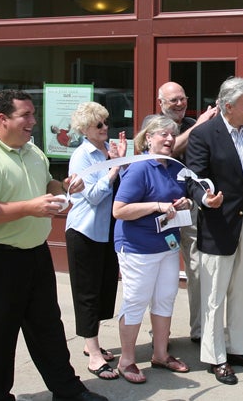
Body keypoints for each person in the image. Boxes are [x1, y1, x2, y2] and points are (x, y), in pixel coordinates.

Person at [0, 89, 106, 401]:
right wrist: (29, 207)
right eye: (26, 115)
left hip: (35, 254)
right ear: (3, 119)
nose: (33, 122)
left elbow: (46, 184)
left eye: (33, 115)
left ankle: (67, 390)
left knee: (47, 326)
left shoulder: (32, 151)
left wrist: (64, 185)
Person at [186, 77, 243, 385]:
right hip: (218, 225)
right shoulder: (203, 134)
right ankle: (216, 358)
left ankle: (241, 349)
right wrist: (204, 198)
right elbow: (191, 178)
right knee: (214, 295)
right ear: (228, 106)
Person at [111, 115, 193, 385]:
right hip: (137, 248)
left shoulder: (172, 166)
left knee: (165, 299)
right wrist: (157, 206)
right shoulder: (139, 168)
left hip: (166, 245)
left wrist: (184, 204)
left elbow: (180, 197)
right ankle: (126, 359)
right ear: (148, 138)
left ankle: (160, 354)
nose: (169, 139)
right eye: (163, 135)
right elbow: (119, 210)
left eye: (173, 134)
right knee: (135, 302)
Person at [66, 102, 127, 381]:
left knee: (104, 290)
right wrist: (113, 170)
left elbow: (120, 189)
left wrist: (120, 162)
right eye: (98, 124)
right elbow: (92, 195)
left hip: (107, 231)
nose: (105, 128)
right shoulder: (82, 155)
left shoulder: (105, 151)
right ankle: (92, 353)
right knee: (87, 293)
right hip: (85, 231)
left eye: (105, 122)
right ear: (84, 129)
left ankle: (94, 343)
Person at [156, 81, 218, 344]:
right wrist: (201, 125)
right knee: (160, 274)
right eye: (173, 100)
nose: (180, 104)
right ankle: (159, 334)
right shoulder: (154, 126)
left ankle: (199, 331)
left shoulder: (194, 123)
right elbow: (169, 149)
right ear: (161, 104)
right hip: (159, 211)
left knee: (196, 270)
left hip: (190, 208)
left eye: (182, 98)